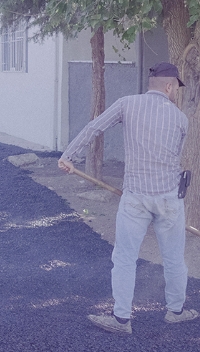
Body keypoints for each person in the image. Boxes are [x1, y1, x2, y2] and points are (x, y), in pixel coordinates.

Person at [58, 62, 197, 334]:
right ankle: (176, 311)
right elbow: (176, 157)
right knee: (174, 259)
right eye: (175, 88)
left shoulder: (127, 103)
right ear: (169, 86)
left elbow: (94, 128)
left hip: (135, 197)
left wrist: (68, 156)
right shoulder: (181, 119)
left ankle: (122, 319)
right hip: (169, 198)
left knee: (124, 258)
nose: (175, 93)